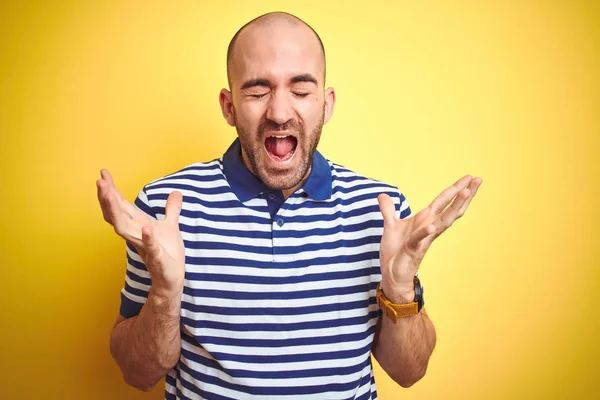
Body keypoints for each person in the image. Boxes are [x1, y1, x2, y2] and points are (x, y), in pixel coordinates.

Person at [96, 11, 482, 400]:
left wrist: (399, 290)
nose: (279, 113)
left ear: (326, 105)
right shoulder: (165, 209)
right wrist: (165, 293)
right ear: (229, 107)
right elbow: (137, 374)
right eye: (258, 91)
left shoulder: (380, 212)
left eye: (300, 90)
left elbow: (409, 371)